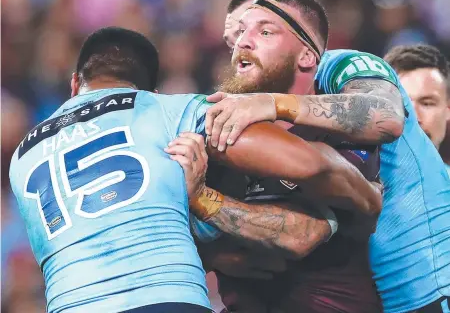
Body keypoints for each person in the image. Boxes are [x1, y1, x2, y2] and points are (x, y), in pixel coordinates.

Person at [8, 27, 381, 313]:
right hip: (168, 298)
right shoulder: (167, 109)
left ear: (76, 83)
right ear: (148, 87)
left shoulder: (21, 155)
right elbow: (307, 163)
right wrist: (365, 197)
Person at [205, 0, 450, 313]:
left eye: (259, 28)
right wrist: (212, 255)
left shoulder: (340, 65)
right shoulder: (258, 122)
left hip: (431, 278)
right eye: (233, 38)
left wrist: (272, 103)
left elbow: (387, 116)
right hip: (385, 292)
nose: (241, 44)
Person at [384, 44, 450, 176]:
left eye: (427, 103)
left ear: (448, 110)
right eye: (402, 103)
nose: (414, 118)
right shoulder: (347, 185)